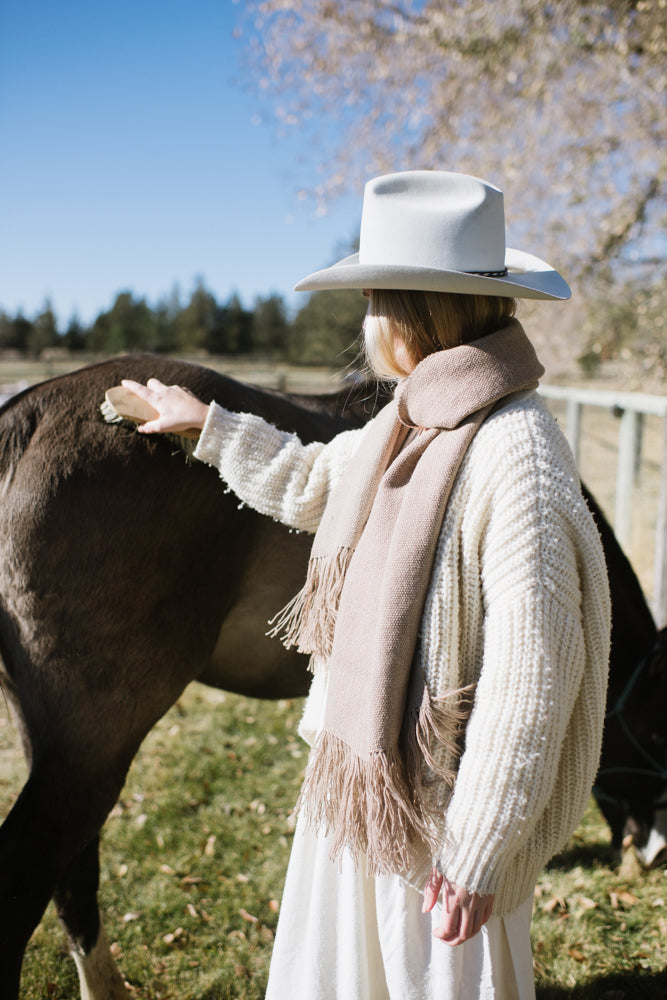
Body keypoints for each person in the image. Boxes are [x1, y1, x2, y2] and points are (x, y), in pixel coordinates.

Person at [122, 171, 611, 1000]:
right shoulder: (410, 416)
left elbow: (533, 678)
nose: (366, 321)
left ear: (407, 314)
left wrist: (478, 850)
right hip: (363, 787)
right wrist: (210, 427)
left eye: (374, 299)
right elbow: (318, 482)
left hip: (442, 824)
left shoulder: (513, 451)